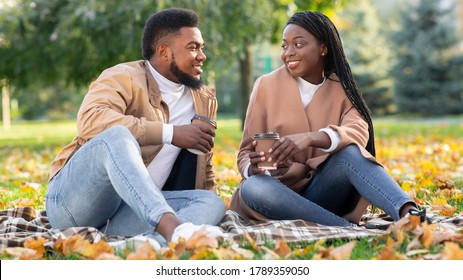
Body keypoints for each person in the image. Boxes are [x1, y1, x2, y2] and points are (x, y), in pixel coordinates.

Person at [45, 8, 226, 248]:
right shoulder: (124, 76)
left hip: (131, 211)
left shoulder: (203, 98)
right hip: (74, 205)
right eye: (193, 47)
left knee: (212, 203)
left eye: (202, 47)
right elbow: (91, 119)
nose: (202, 55)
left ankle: (144, 247)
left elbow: (205, 163)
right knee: (118, 135)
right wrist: (171, 133)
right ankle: (170, 228)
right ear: (163, 51)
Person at [230, 11, 425, 227]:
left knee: (350, 152)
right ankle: (346, 228)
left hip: (323, 193)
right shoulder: (265, 85)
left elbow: (358, 129)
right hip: (275, 195)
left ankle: (410, 215)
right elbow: (245, 153)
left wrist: (312, 138)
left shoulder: (340, 87)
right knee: (253, 187)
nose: (288, 53)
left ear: (323, 48)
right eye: (284, 46)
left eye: (298, 44)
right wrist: (253, 168)